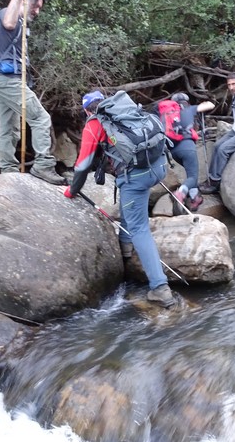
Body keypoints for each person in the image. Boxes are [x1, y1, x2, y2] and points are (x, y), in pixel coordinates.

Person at [63, 90, 176, 308]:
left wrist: (71, 191)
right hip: (160, 168)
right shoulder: (128, 110)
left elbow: (83, 164)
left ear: (87, 110)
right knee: (130, 204)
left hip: (137, 178)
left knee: (140, 228)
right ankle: (125, 248)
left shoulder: (95, 124)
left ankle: (160, 288)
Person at [0, 0, 65, 185]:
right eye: (35, 5)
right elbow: (9, 22)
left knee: (9, 129)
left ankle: (8, 170)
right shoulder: (8, 15)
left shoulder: (21, 20)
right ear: (24, 0)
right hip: (8, 80)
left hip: (2, 81)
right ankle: (43, 166)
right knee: (41, 118)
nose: (37, 11)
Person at [167, 93, 215, 213]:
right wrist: (202, 104)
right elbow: (210, 105)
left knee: (190, 172)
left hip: (174, 151)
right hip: (187, 147)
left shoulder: (168, 114)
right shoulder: (190, 109)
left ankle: (195, 198)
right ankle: (181, 192)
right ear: (186, 102)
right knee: (193, 176)